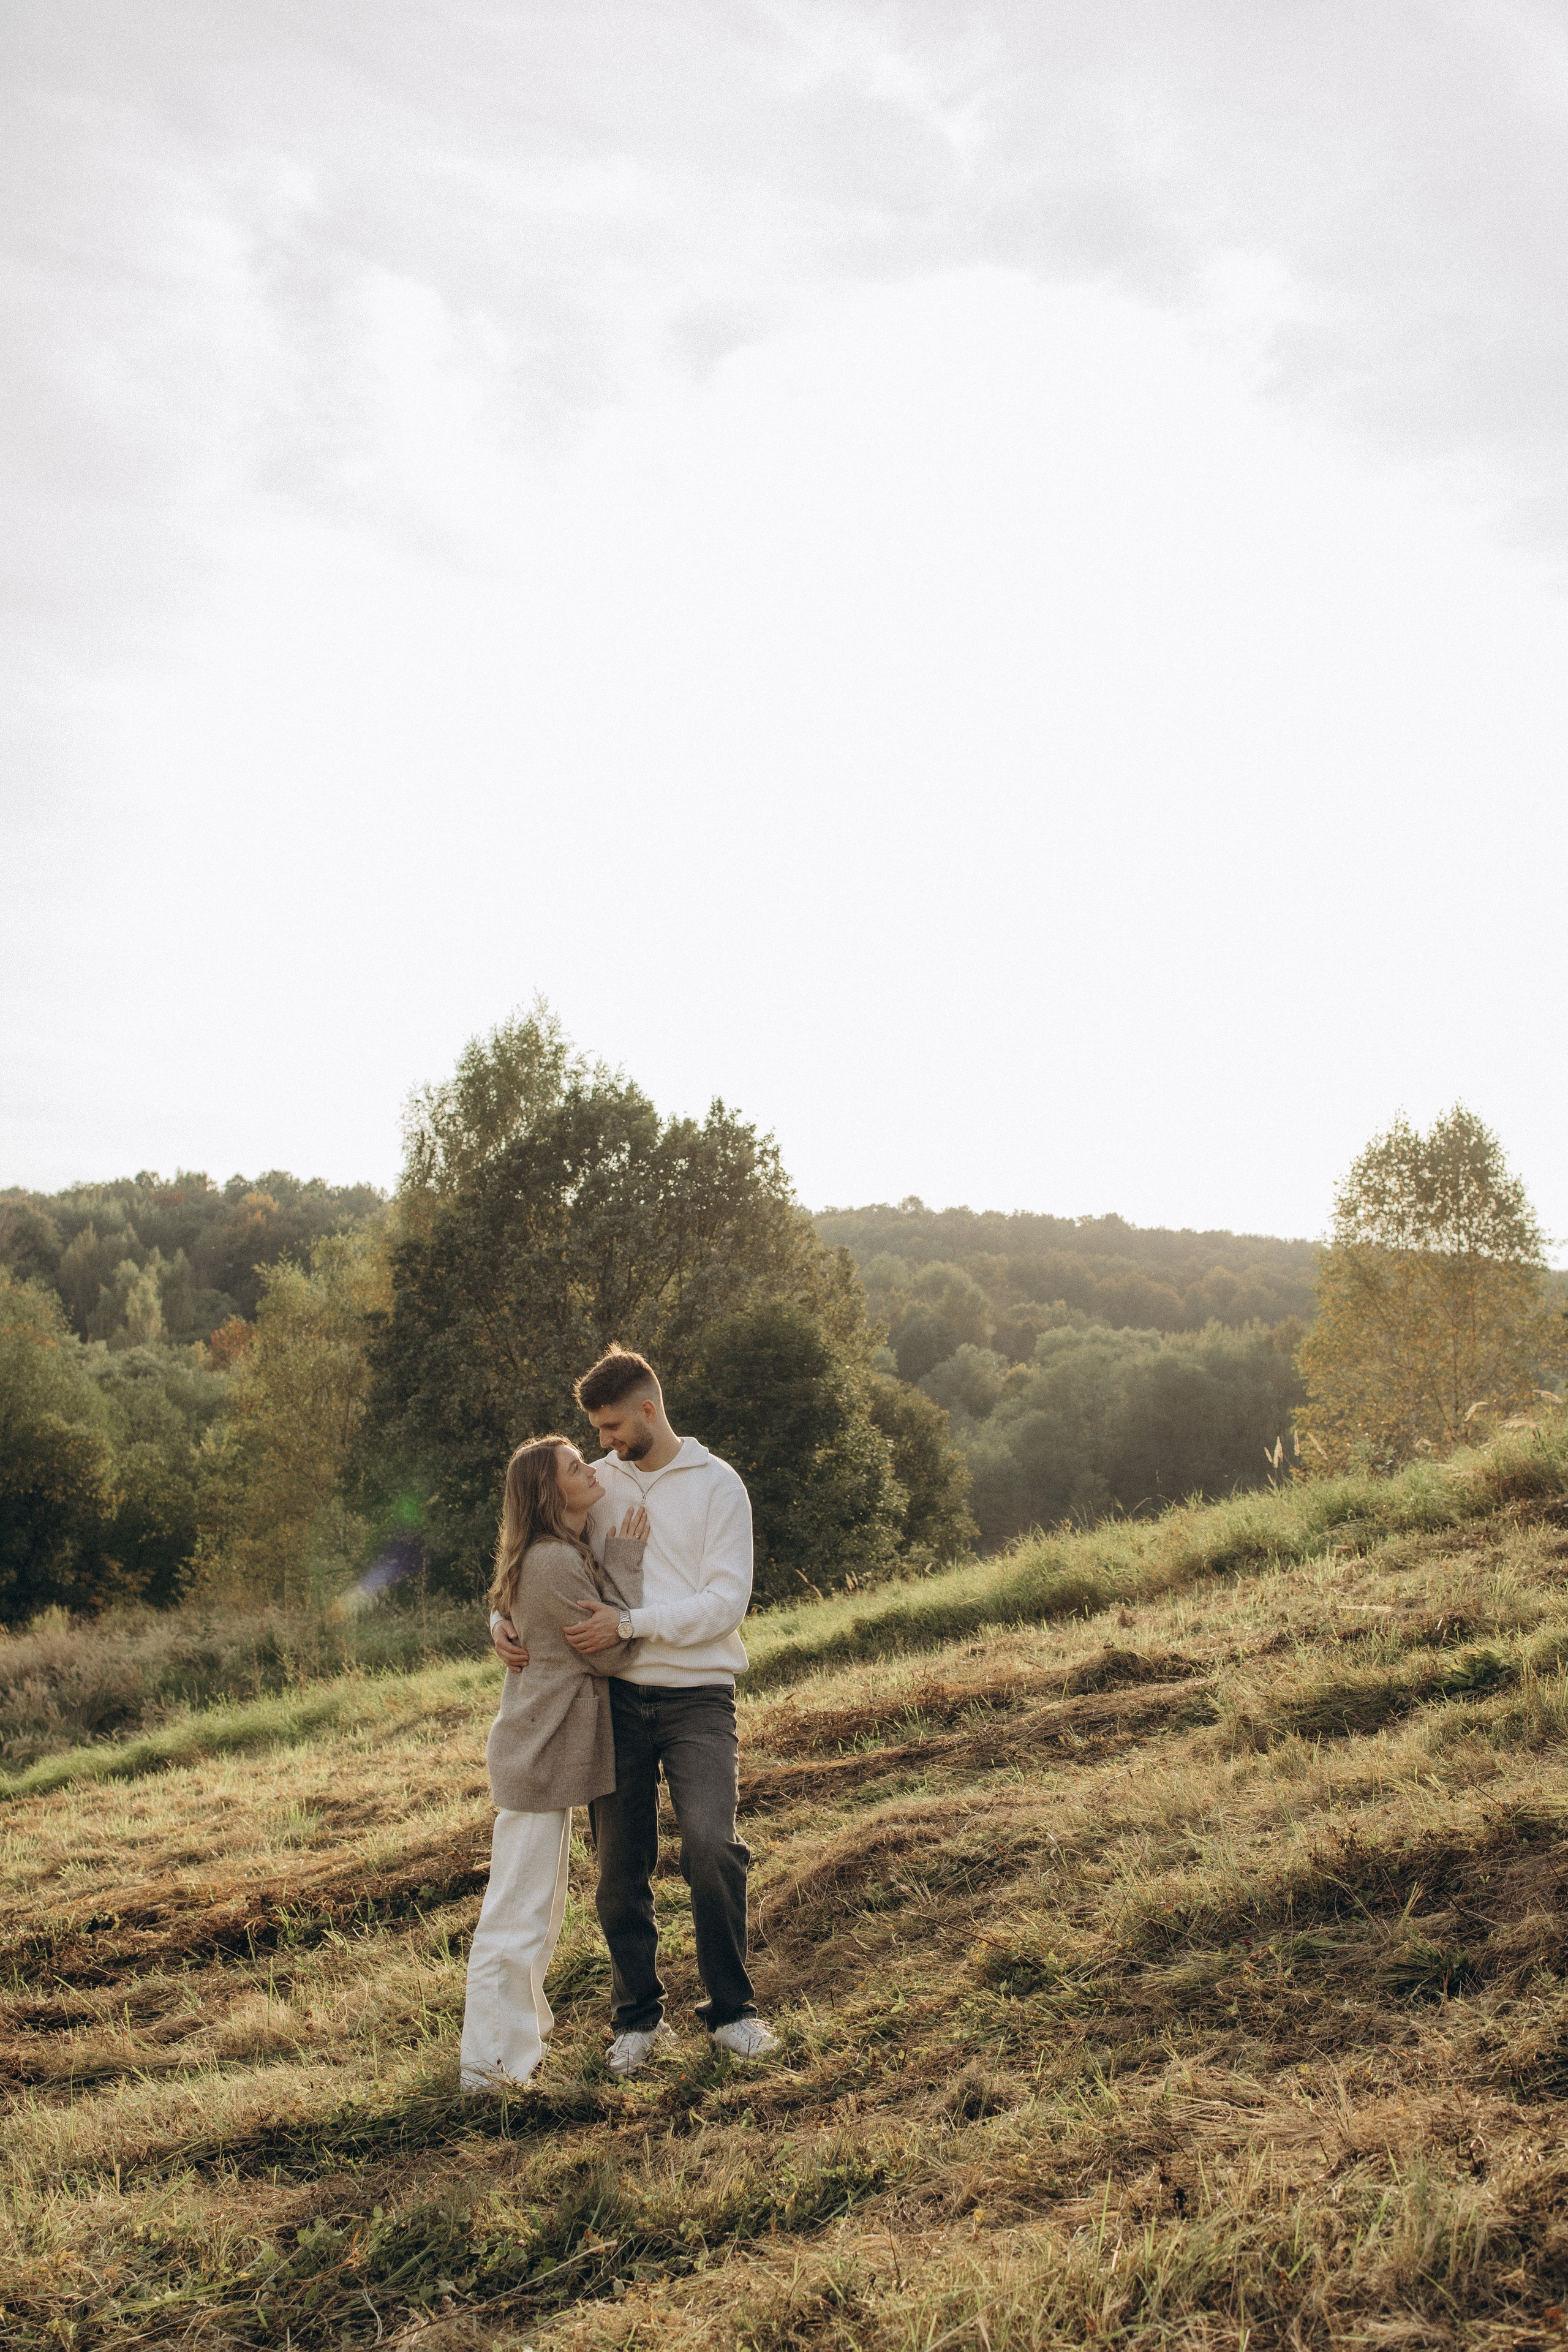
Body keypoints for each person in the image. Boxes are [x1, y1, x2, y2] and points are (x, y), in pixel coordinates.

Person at [491, 1346, 779, 2076]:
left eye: (613, 1427)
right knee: (619, 1867)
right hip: (611, 1702)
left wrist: (631, 1624)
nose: (604, 1442)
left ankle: (733, 2013)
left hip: (698, 1697)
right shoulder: (598, 1485)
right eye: (597, 1430)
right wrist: (499, 1622)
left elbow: (726, 1602)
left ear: (648, 1410)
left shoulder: (718, 1486)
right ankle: (636, 2020)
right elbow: (536, 1550)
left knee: (711, 1845)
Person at [459, 1434, 647, 2095]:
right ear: (549, 1491)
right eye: (574, 1466)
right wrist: (626, 1562)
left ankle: (515, 2049)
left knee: (533, 1916)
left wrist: (498, 1621)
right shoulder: (553, 1561)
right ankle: (489, 2071)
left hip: (541, 1755)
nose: (589, 1469)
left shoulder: (553, 1552)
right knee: (516, 1919)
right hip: (537, 1758)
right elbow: (611, 1652)